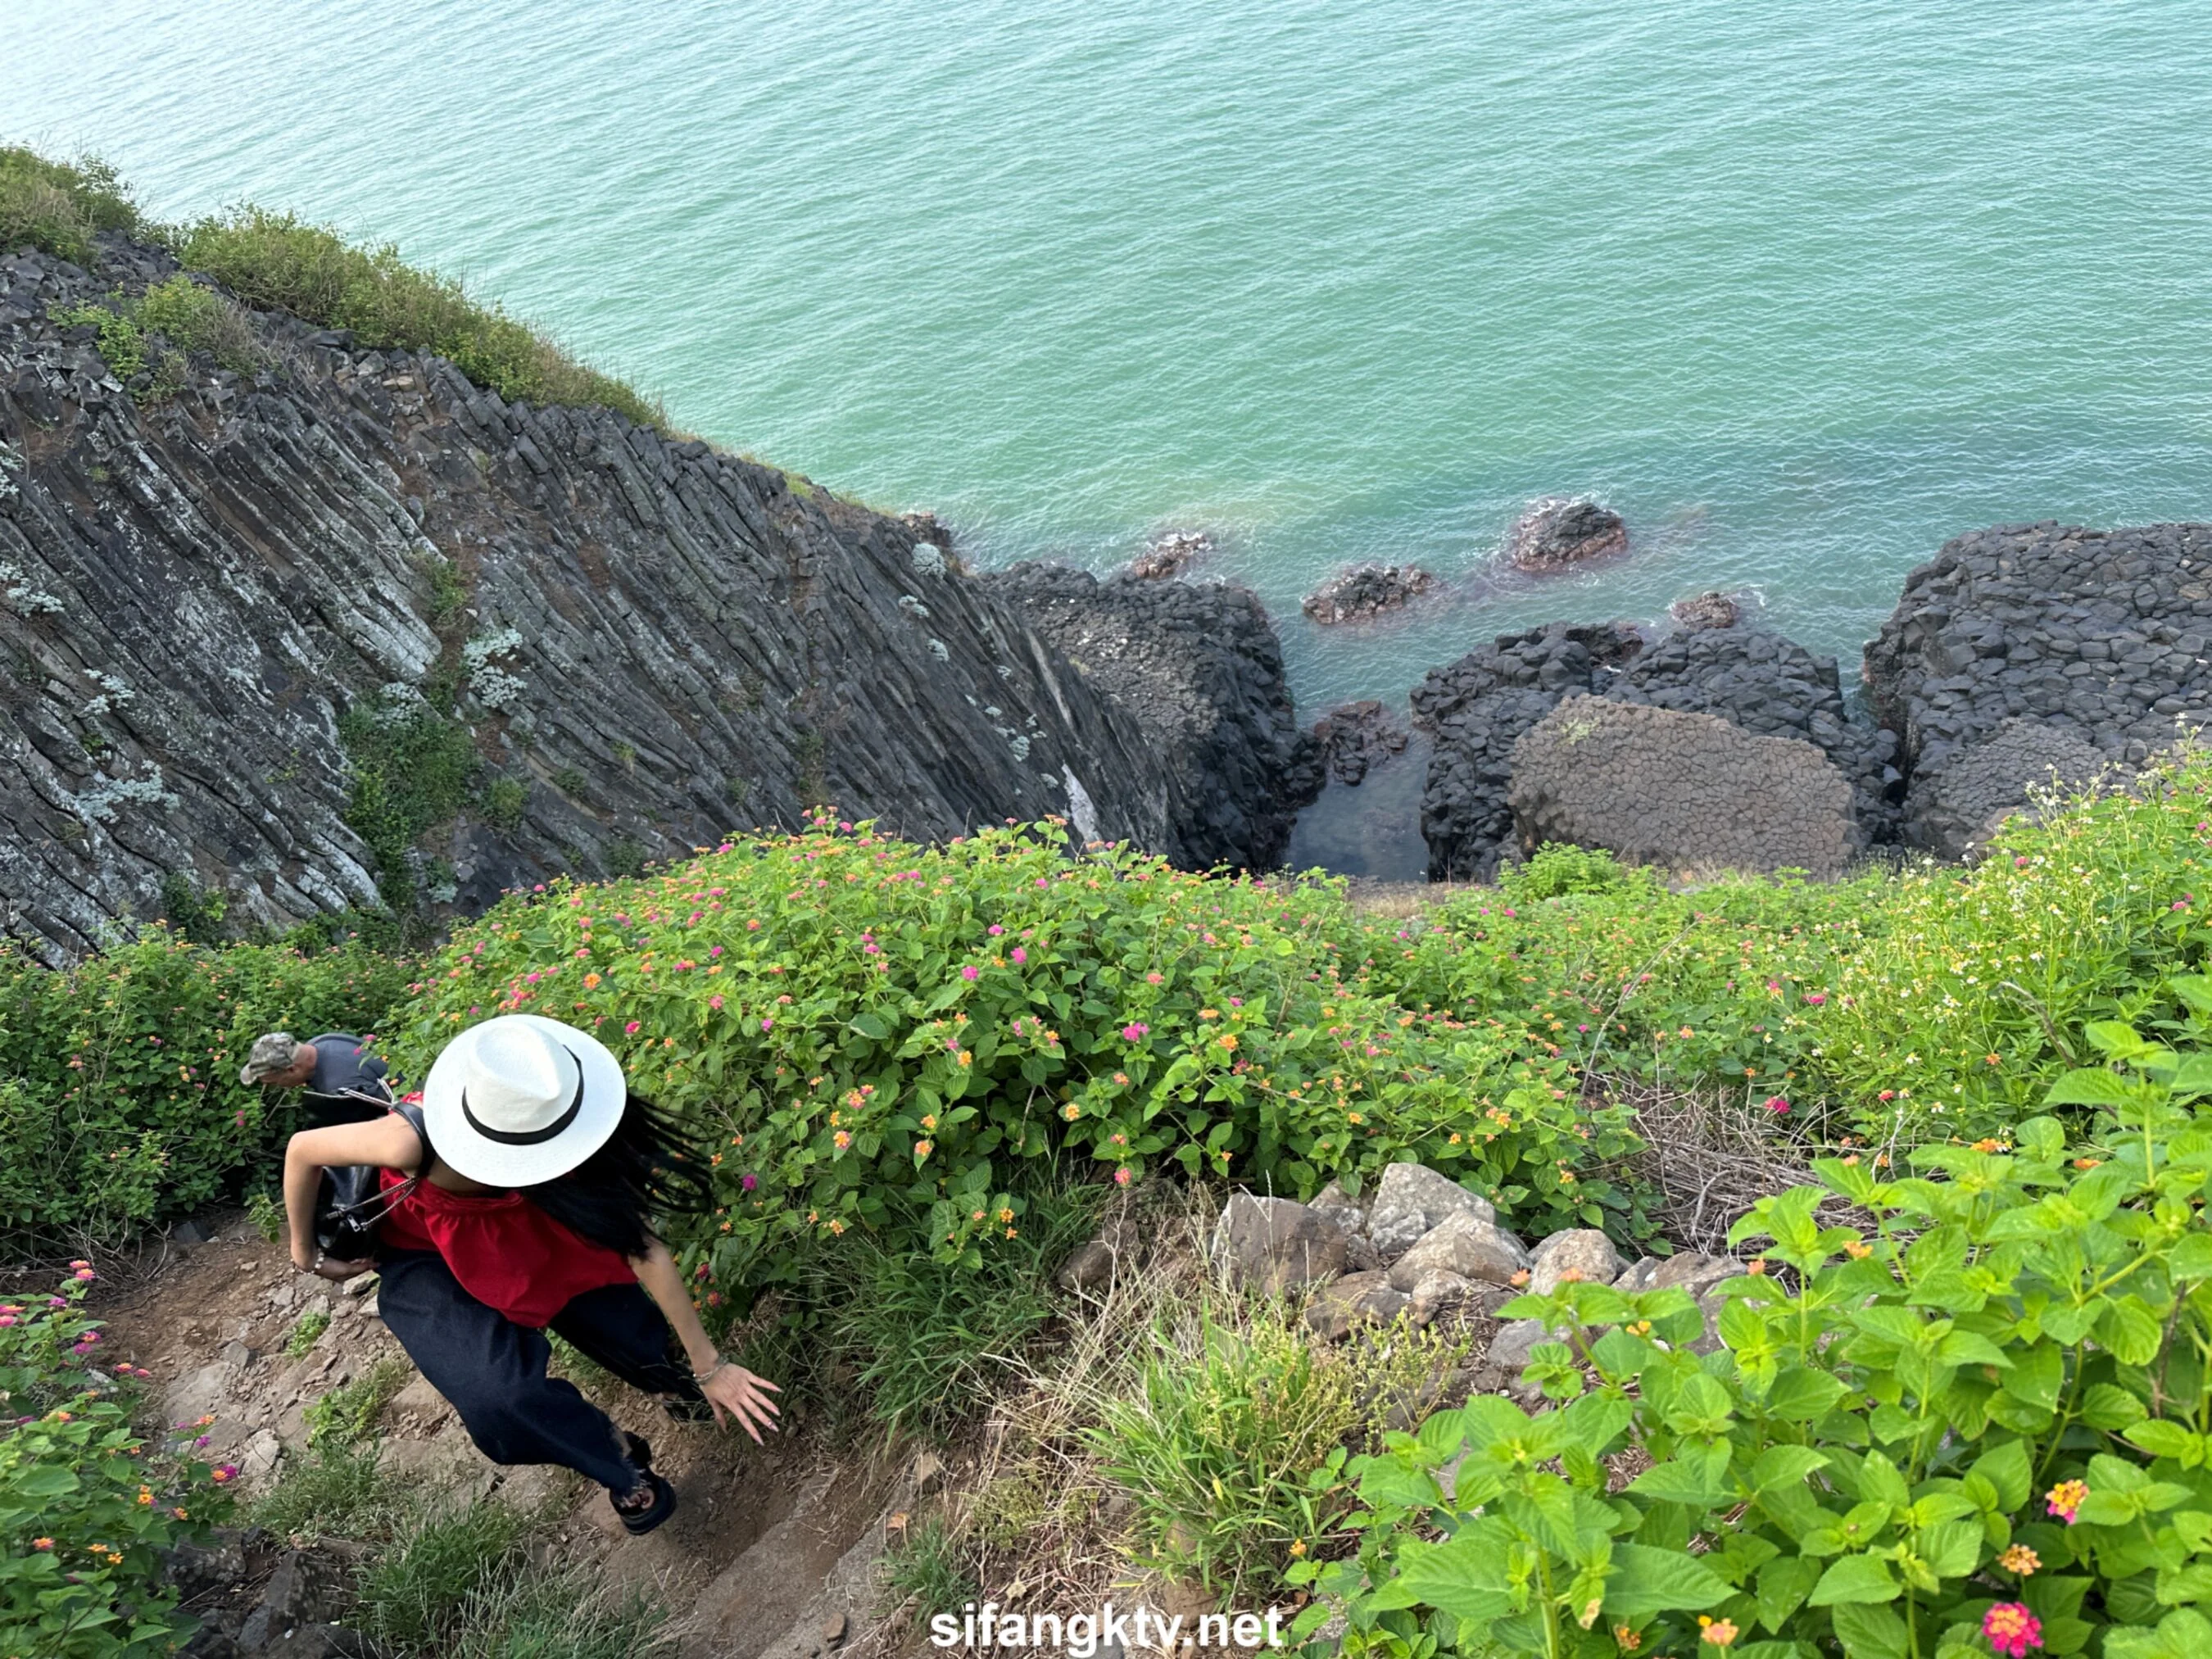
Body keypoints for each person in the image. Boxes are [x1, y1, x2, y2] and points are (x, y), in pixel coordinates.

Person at [279, 1013, 779, 1534]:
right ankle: (613, 1453)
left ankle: (670, 1384)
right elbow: (303, 1150)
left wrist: (710, 1365)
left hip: (531, 1221)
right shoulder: (408, 1141)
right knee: (497, 1401)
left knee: (613, 1310)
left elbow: (643, 1249)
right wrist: (305, 1253)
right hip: (425, 1249)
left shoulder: (572, 1129)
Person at [240, 1031, 393, 1126]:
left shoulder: (340, 1088)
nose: (279, 1087)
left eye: (274, 1082)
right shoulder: (322, 1041)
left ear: (292, 1069)